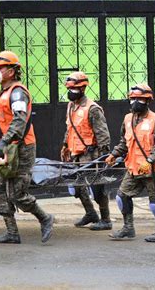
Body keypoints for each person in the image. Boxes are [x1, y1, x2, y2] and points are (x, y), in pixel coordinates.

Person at [0, 50, 54, 244]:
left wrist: (4, 142)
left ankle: (45, 218)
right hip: (7, 149)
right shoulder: (4, 92)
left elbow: (19, 121)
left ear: (12, 71)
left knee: (17, 193)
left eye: (1, 68)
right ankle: (12, 232)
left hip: (21, 148)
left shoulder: (18, 93)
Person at [105, 84, 155, 242]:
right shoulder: (127, 119)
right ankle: (128, 228)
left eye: (139, 99)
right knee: (122, 196)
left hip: (152, 170)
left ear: (147, 101)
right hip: (133, 168)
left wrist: (150, 160)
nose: (135, 102)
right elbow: (124, 142)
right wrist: (113, 154)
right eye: (132, 99)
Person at [60, 71, 112, 230]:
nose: (70, 92)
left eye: (73, 89)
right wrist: (64, 145)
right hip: (75, 153)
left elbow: (103, 135)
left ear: (82, 89)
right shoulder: (71, 106)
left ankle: (106, 220)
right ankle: (90, 213)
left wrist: (104, 158)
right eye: (68, 89)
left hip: (91, 155)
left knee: (97, 188)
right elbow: (69, 128)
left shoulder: (93, 109)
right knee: (77, 187)